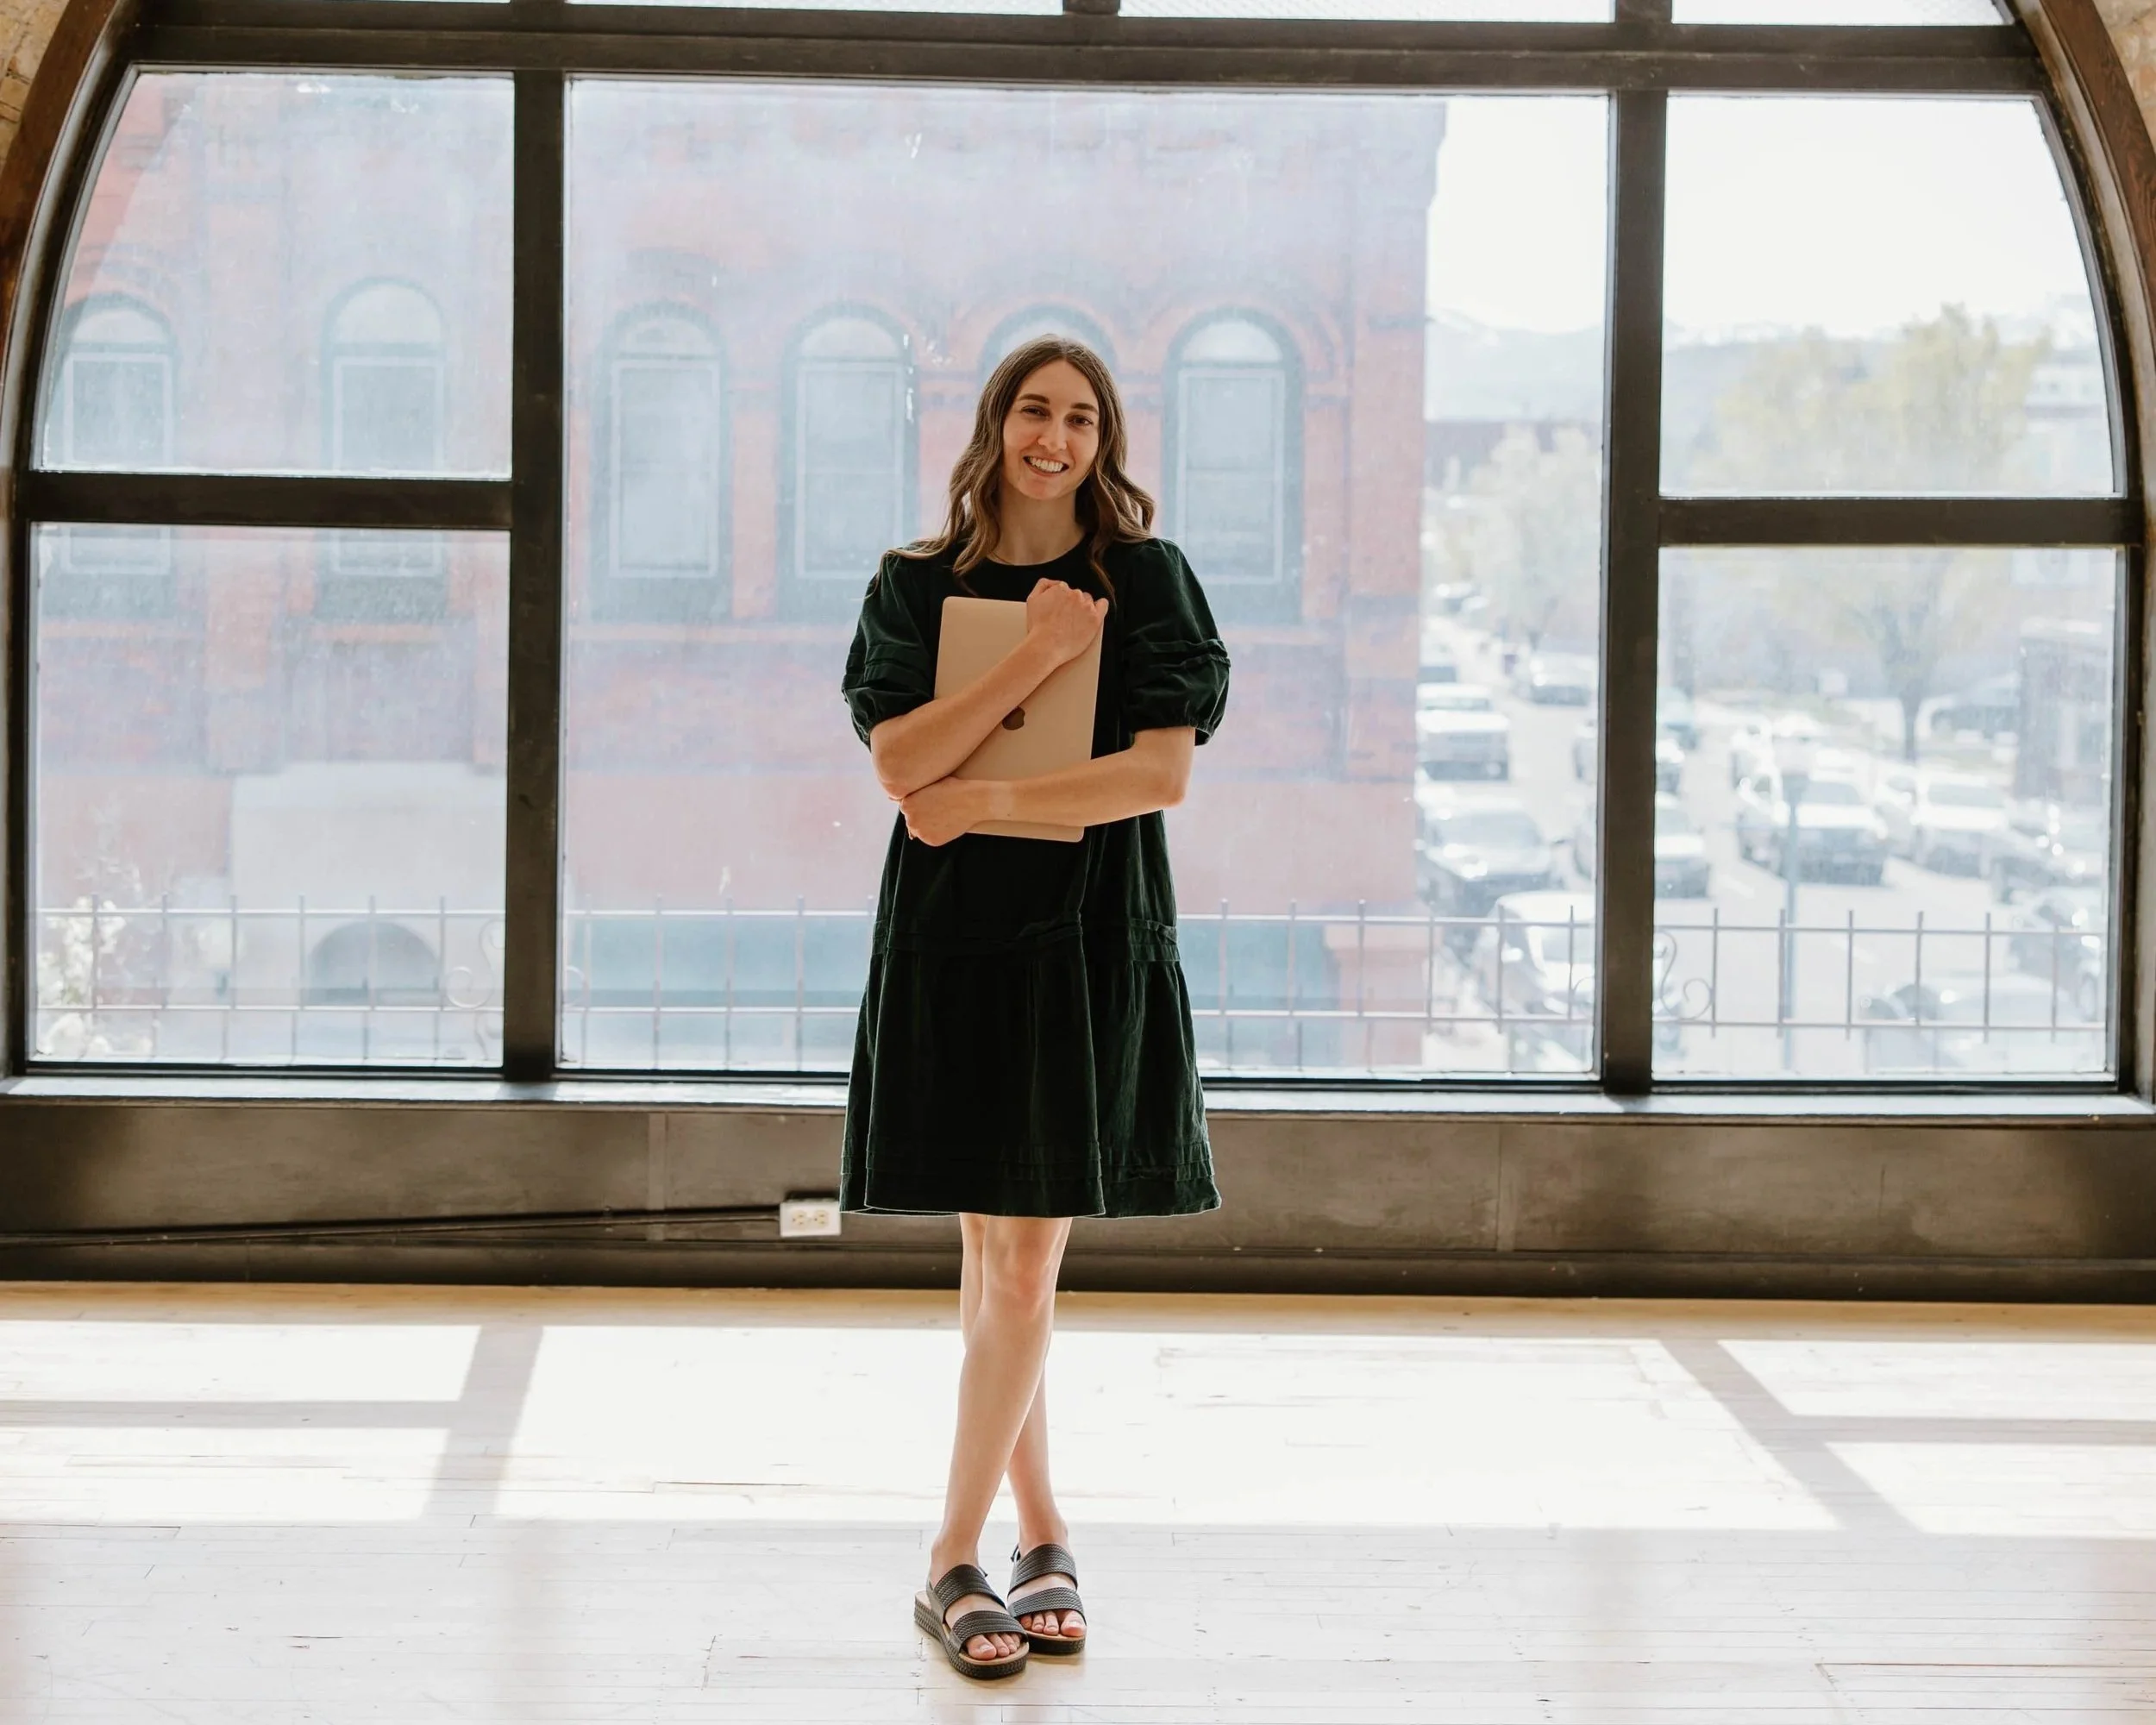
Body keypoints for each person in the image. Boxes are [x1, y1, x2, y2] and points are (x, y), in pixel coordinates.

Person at [840, 336, 1231, 1680]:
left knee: (1019, 1267)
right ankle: (1041, 1531)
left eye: (1080, 418)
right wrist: (1038, 656)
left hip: (1082, 937)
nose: (1053, 437)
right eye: (1032, 410)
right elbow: (901, 761)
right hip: (952, 938)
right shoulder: (913, 584)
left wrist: (988, 796)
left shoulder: (1149, 581)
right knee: (998, 1264)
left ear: (1104, 441)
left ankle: (953, 1554)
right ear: (995, 425)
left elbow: (1157, 777)